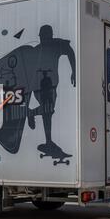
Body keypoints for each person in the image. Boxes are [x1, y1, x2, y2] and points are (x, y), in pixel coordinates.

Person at [27, 25, 76, 156]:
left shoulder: (56, 45)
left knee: (47, 112)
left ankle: (48, 140)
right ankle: (48, 141)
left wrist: (74, 72)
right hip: (40, 85)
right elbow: (30, 72)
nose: (44, 39)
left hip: (51, 84)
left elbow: (70, 51)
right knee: (47, 111)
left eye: (45, 37)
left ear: (50, 36)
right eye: (42, 37)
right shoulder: (38, 49)